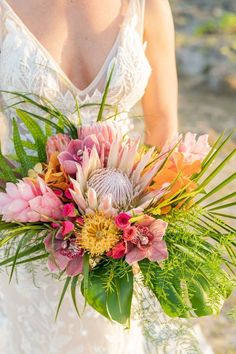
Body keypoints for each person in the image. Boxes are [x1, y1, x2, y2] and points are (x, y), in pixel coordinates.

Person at [0, 1, 213, 353]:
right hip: (31, 241)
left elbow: (162, 124)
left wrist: (145, 222)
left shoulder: (147, 5)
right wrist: (42, 203)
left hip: (129, 238)